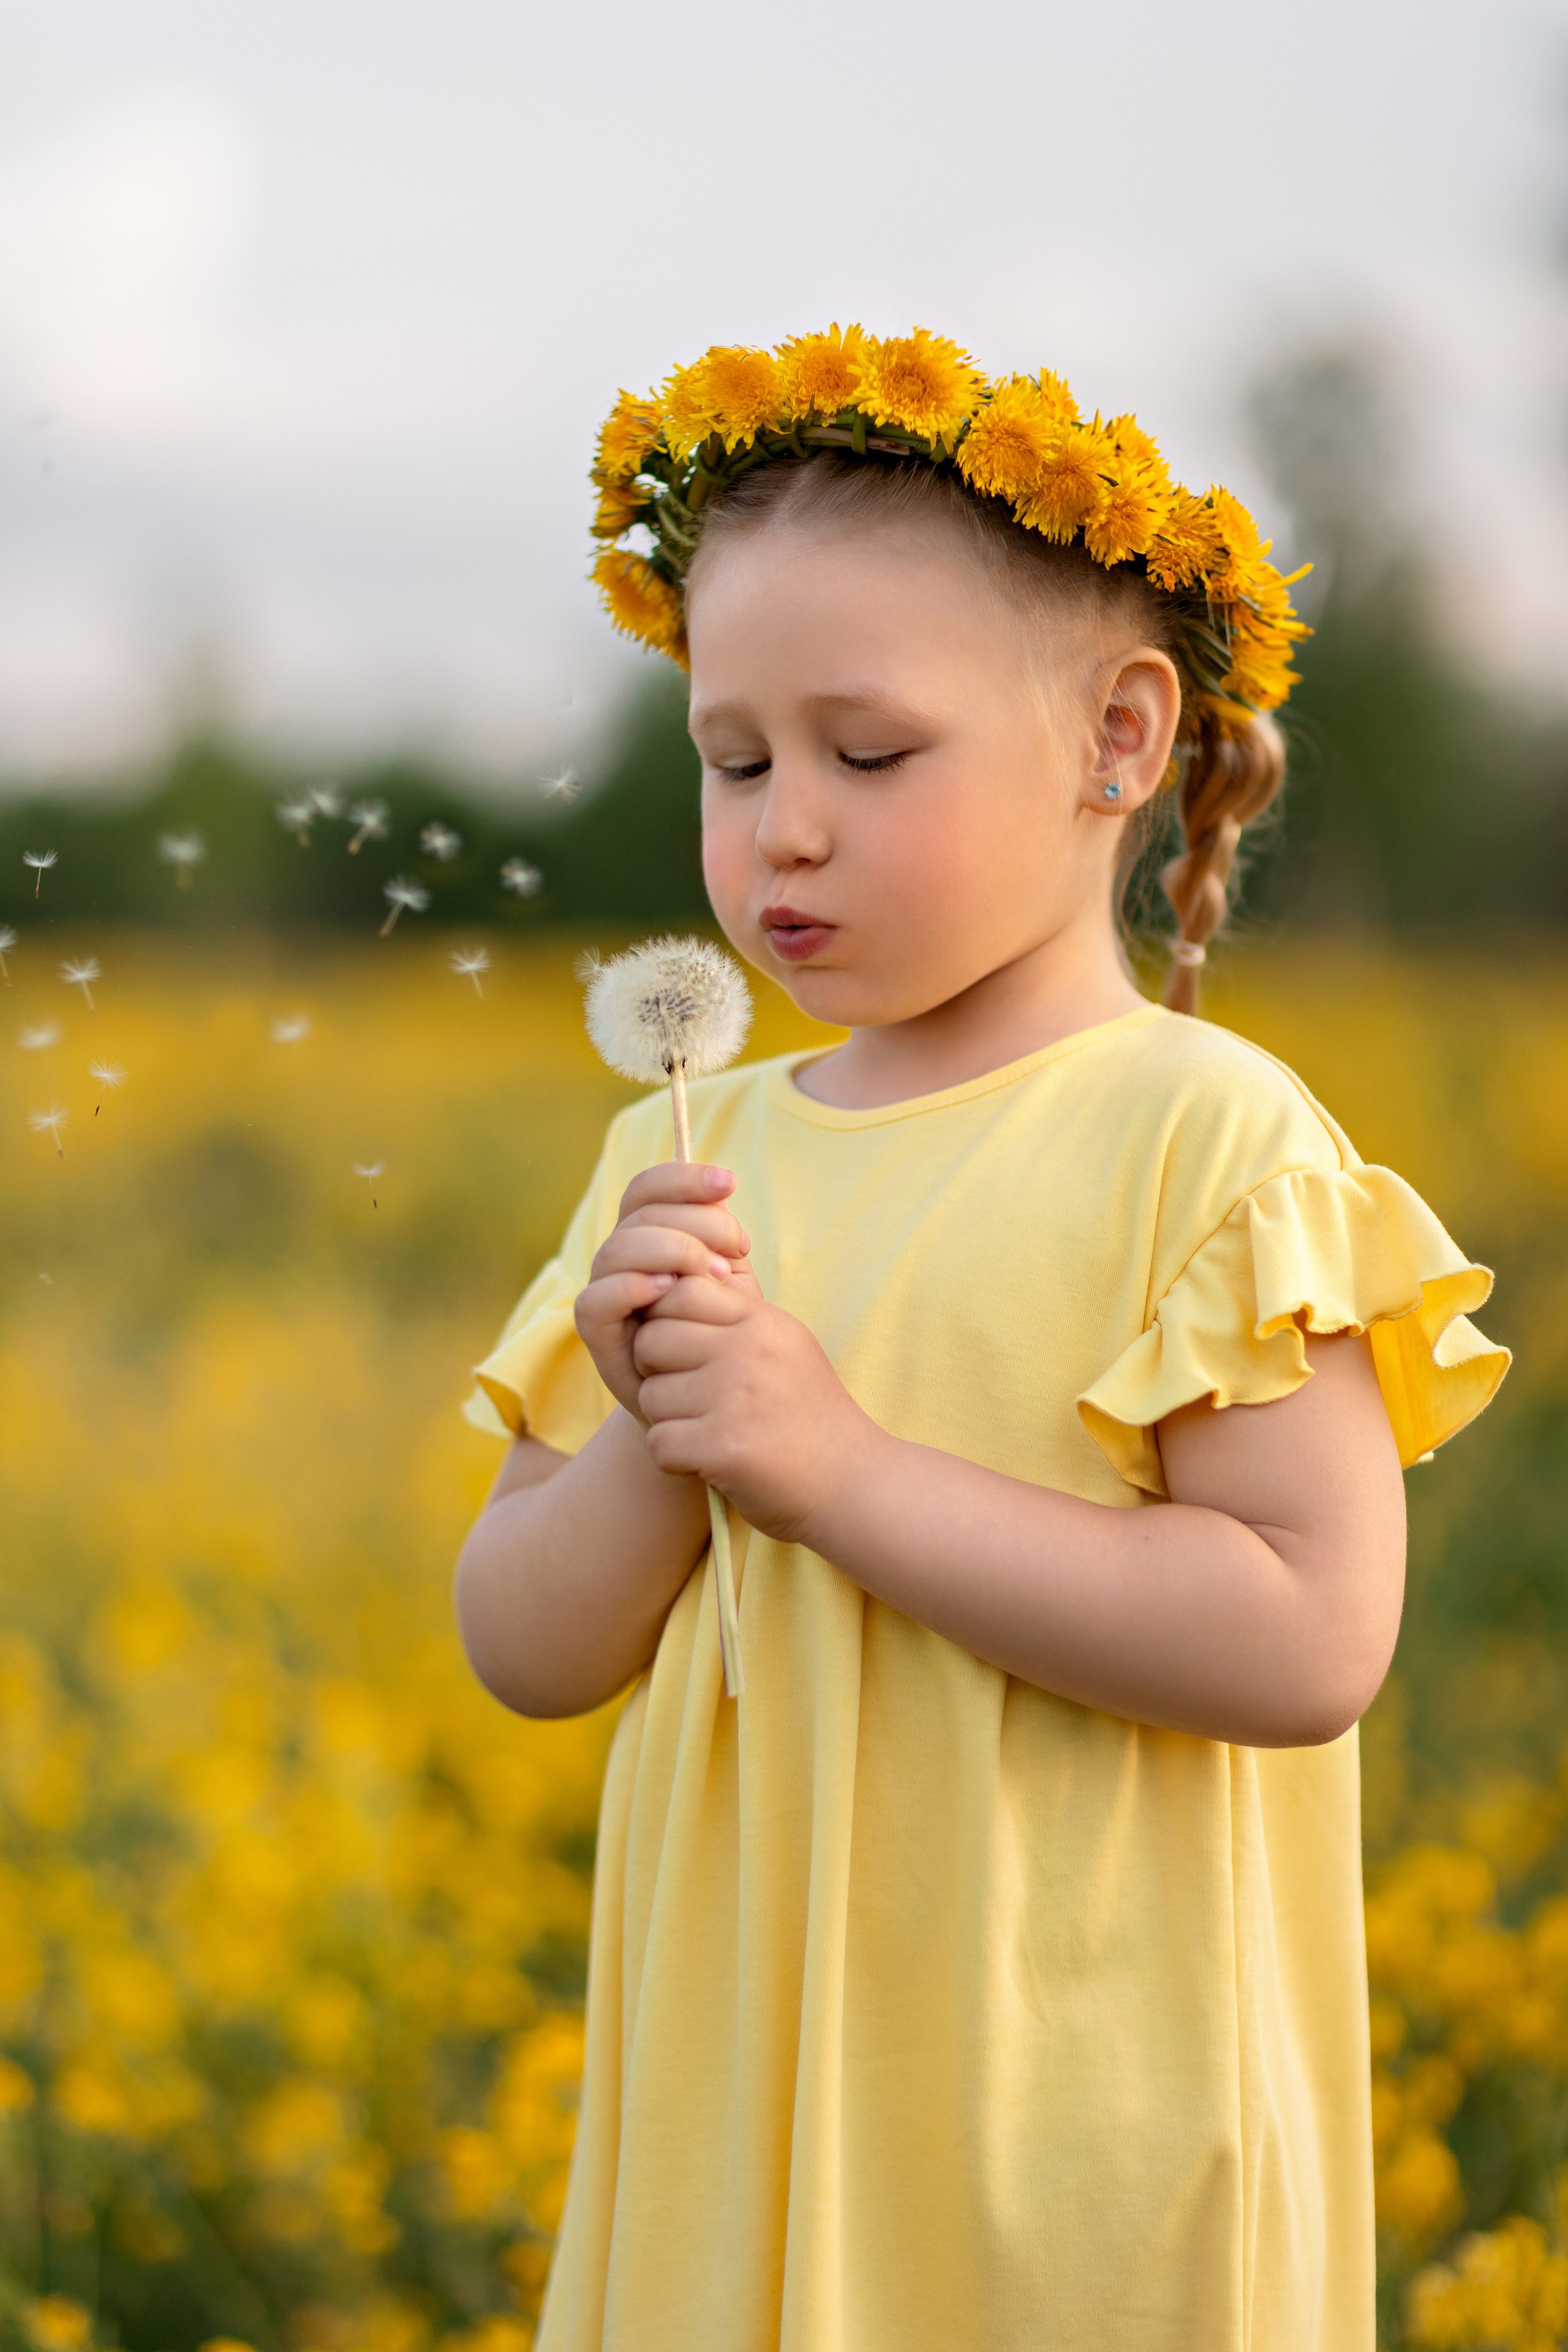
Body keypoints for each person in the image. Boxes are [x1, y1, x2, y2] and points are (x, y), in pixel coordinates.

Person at [454, 328, 1509, 2351]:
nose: (784, 830)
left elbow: (1307, 1636)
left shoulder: (1209, 1142)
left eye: (869, 753)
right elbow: (525, 1643)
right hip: (740, 2116)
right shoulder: (685, 1161)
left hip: (1074, 2137)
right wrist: (658, 1448)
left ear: (1120, 741)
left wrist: (837, 1471)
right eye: (735, 758)